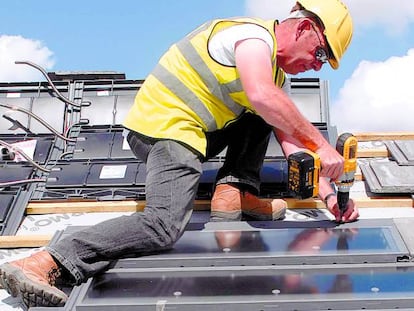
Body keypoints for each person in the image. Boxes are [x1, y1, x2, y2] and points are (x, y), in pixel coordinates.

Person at [0, 0, 359, 308]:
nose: (318, 65)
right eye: (321, 53)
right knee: (162, 226)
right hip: (162, 131)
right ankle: (47, 260)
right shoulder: (251, 38)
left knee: (275, 112)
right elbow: (264, 97)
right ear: (305, 29)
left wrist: (328, 194)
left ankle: (234, 192)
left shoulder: (275, 76)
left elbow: (290, 137)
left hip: (195, 131)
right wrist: (325, 146)